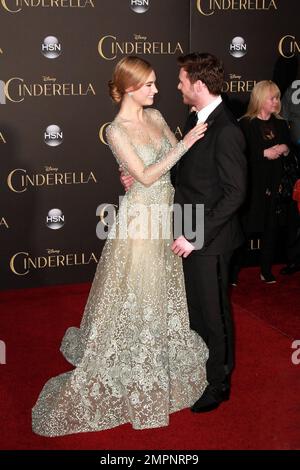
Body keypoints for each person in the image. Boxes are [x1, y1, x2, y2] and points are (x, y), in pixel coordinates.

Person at [31, 56, 209, 436]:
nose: (157, 91)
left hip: (165, 214)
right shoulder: (115, 130)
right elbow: (145, 175)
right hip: (140, 221)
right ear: (129, 87)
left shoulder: (158, 117)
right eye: (149, 85)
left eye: (157, 84)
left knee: (161, 289)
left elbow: (171, 166)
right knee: (138, 291)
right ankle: (131, 359)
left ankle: (158, 348)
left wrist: (176, 152)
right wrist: (185, 143)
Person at [171, 53, 247, 413]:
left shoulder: (227, 130)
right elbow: (189, 178)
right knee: (197, 311)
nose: (178, 86)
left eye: (183, 81)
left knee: (213, 315)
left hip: (210, 239)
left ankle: (219, 384)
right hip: (188, 228)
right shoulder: (193, 118)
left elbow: (235, 194)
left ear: (199, 85)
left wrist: (195, 235)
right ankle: (202, 371)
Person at [231, 80, 292, 285]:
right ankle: (233, 272)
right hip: (252, 185)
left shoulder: (281, 123)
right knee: (244, 229)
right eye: (271, 98)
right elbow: (239, 155)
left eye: (277, 97)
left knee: (271, 228)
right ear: (259, 99)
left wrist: (283, 147)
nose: (276, 102)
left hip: (275, 183)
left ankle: (266, 270)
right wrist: (263, 153)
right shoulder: (246, 124)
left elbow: (289, 149)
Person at [279, 80, 300, 275]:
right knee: (295, 207)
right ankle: (294, 258)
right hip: (296, 154)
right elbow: (284, 119)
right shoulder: (293, 86)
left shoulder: (293, 85)